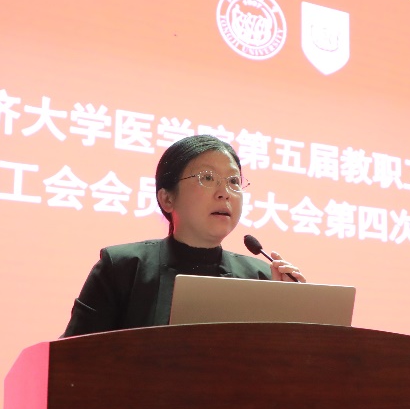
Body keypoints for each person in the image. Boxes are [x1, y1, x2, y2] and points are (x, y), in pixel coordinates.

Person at [61, 134, 304, 337]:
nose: (224, 192)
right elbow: (68, 359)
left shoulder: (261, 280)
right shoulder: (123, 268)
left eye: (233, 181)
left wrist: (296, 312)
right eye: (207, 178)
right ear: (167, 198)